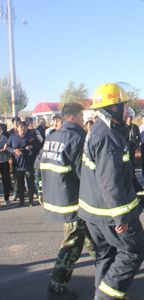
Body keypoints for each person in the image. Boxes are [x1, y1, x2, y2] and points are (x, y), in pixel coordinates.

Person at [78, 83, 144, 300]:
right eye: (124, 106)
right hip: (109, 212)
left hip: (93, 210)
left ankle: (104, 292)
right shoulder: (108, 135)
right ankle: (106, 297)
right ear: (114, 108)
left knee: (106, 255)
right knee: (133, 251)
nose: (127, 110)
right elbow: (111, 181)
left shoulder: (98, 129)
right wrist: (120, 215)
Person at [38, 102, 97, 300]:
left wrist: (41, 190)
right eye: (81, 116)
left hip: (57, 197)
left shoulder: (52, 137)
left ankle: (108, 267)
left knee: (88, 236)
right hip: (73, 201)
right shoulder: (77, 138)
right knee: (71, 243)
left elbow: (40, 164)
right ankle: (56, 289)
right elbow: (85, 174)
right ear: (72, 117)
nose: (83, 119)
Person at [7, 121, 41, 207]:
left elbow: (39, 145)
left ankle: (31, 201)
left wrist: (32, 146)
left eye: (25, 127)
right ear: (17, 128)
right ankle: (21, 201)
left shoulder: (30, 136)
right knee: (20, 183)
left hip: (28, 163)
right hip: (18, 165)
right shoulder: (13, 137)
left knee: (30, 182)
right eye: (21, 127)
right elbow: (7, 147)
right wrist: (14, 151)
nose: (23, 129)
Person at [125, 107, 140, 172]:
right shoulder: (123, 127)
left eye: (131, 117)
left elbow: (139, 137)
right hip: (125, 148)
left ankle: (132, 174)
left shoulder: (135, 127)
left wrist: (137, 145)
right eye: (128, 117)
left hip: (132, 147)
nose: (129, 119)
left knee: (132, 161)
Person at [0, 125, 11, 207]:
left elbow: (8, 149)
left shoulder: (5, 138)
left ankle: (6, 198)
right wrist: (3, 149)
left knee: (6, 181)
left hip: (5, 162)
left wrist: (7, 150)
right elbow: (3, 149)